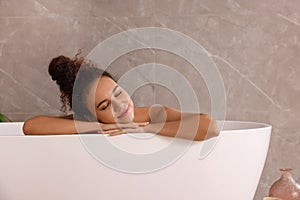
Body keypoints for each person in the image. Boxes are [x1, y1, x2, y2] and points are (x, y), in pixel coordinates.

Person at [23, 53, 220, 141]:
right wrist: (99, 127)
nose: (120, 105)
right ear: (91, 116)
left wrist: (145, 129)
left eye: (117, 93)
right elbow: (31, 126)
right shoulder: (90, 122)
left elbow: (210, 127)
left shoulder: (151, 115)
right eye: (104, 106)